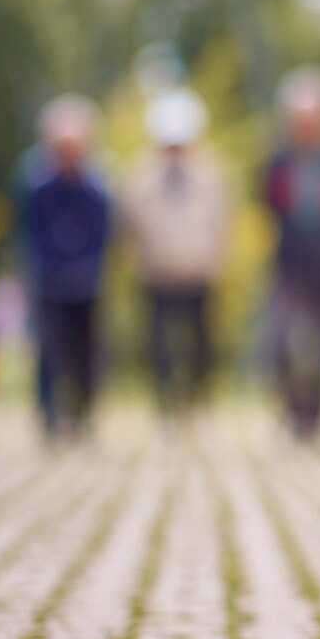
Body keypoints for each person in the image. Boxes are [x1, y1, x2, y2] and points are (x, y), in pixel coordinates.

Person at [121, 87, 232, 415]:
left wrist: (214, 258)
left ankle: (199, 399)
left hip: (198, 271)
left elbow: (221, 220)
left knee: (202, 345)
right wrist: (139, 259)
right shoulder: (141, 174)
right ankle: (165, 402)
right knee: (157, 345)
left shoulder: (210, 174)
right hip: (157, 273)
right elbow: (131, 223)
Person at [262, 67, 320, 440]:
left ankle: (317, 415)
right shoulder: (278, 164)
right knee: (280, 341)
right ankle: (291, 412)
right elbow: (271, 209)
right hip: (288, 266)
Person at [22, 95, 111, 440]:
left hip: (87, 282)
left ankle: (85, 413)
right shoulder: (35, 185)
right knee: (48, 350)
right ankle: (48, 415)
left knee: (86, 352)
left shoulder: (98, 187)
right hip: (49, 280)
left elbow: (103, 235)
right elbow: (29, 231)